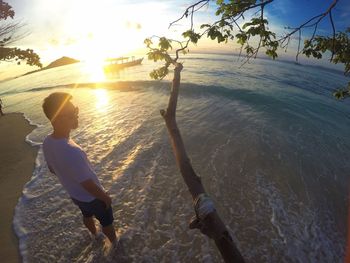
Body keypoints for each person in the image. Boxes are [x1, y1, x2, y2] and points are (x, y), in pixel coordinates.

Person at [42, 92, 117, 244]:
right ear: (56, 118)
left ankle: (95, 235)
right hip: (93, 197)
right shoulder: (72, 151)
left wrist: (68, 176)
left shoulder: (47, 142)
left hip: (75, 196)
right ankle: (115, 244)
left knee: (86, 215)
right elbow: (87, 184)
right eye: (71, 113)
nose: (76, 115)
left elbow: (52, 169)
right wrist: (105, 197)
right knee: (107, 222)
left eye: (75, 110)